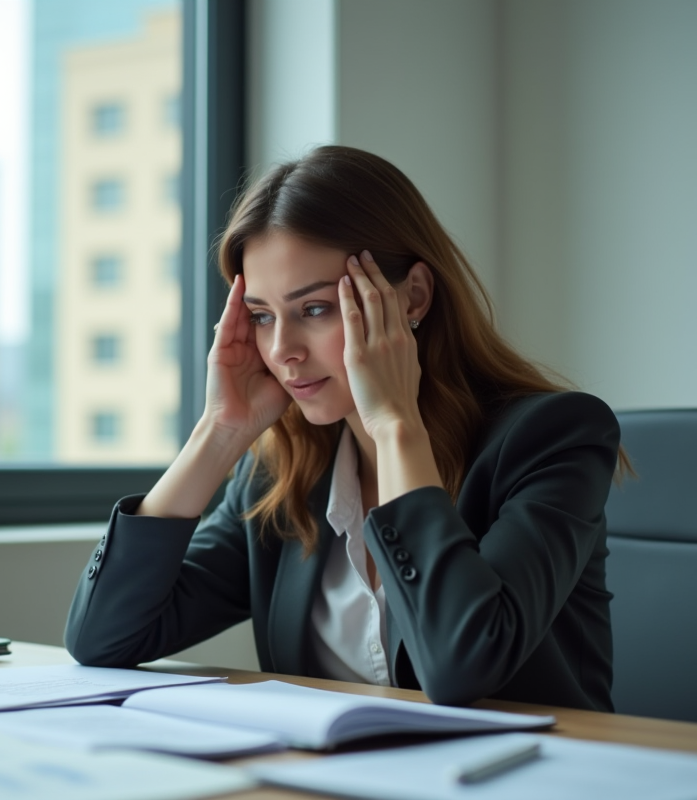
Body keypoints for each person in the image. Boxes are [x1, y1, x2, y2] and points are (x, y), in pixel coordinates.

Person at [64, 145, 623, 711]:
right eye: (261, 316)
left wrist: (395, 425)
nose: (282, 350)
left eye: (314, 310)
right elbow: (103, 638)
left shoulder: (554, 437)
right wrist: (218, 431)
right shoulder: (282, 475)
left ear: (414, 297)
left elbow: (462, 667)